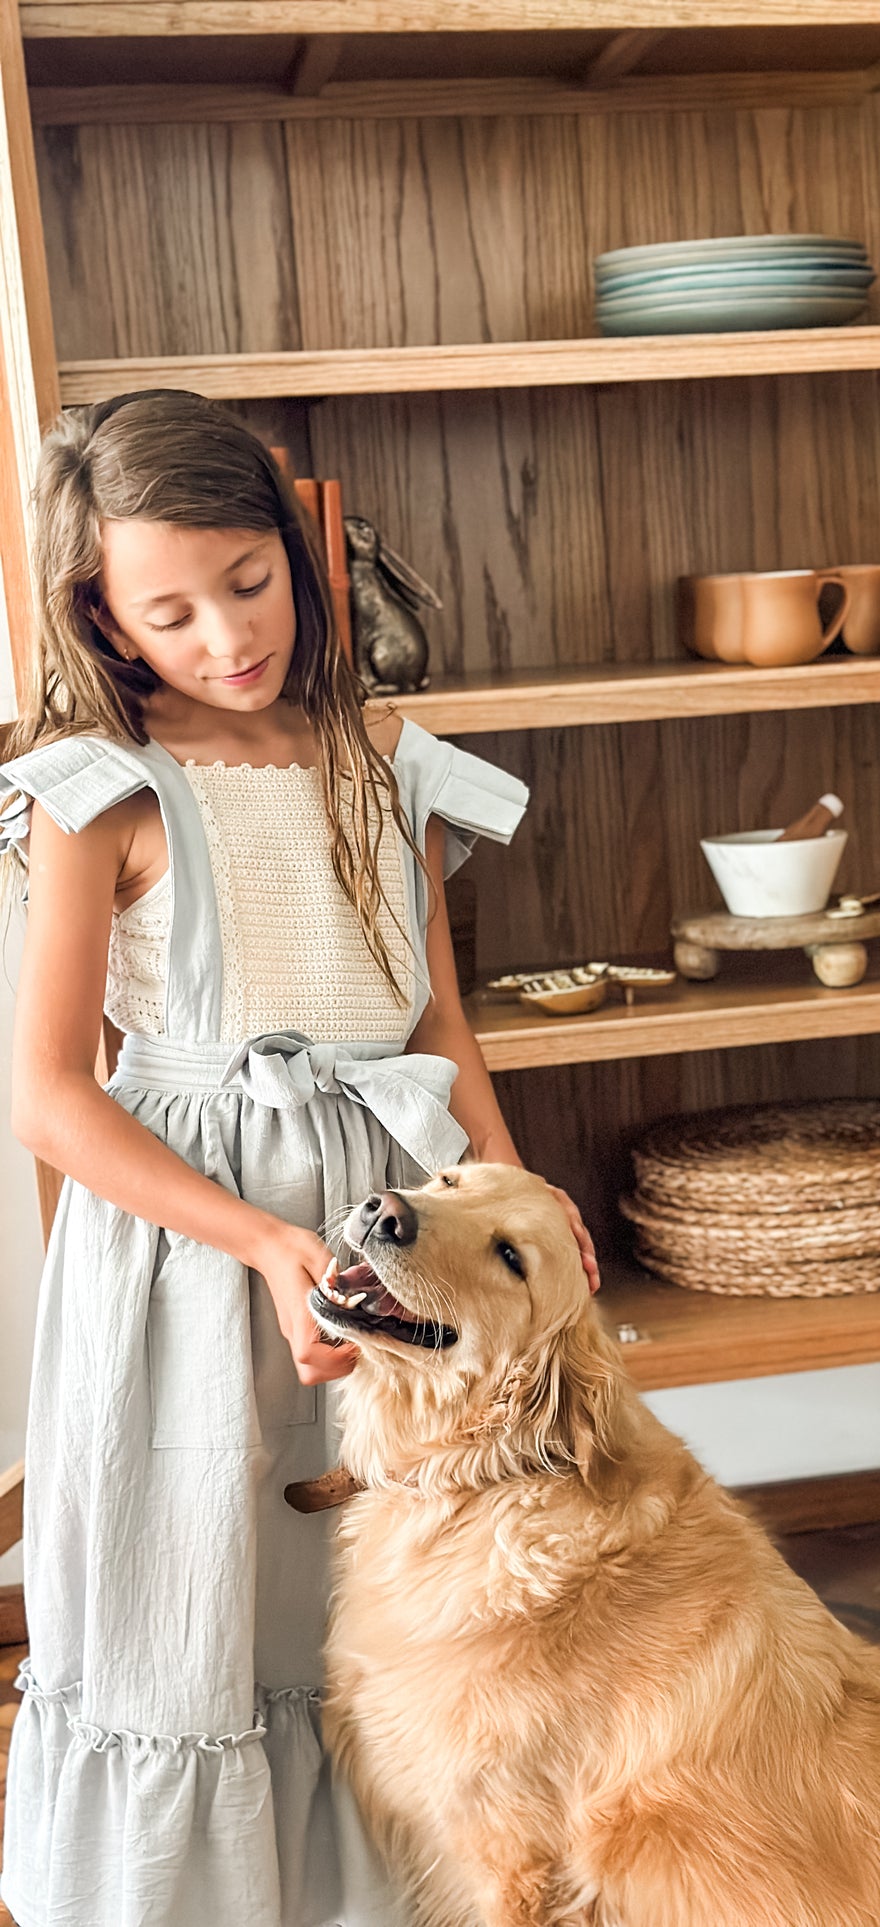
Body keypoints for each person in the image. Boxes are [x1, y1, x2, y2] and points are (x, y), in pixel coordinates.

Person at [0, 389, 599, 1927]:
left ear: (296, 543)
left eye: (248, 582)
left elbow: (442, 1031)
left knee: (380, 1613)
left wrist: (529, 1228)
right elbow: (55, 1099)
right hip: (190, 1270)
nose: (224, 637)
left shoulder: (383, 761)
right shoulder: (99, 789)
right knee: (202, 1614)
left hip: (396, 1240)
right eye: (170, 612)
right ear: (102, 617)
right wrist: (268, 1248)